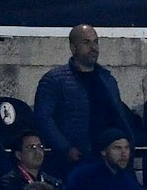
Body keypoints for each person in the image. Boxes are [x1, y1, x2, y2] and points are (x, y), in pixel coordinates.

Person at [34, 25, 134, 172]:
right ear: (73, 47)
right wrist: (65, 148)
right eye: (86, 42)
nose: (93, 48)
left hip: (108, 159)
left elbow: (118, 115)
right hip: (76, 158)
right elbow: (43, 118)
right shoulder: (54, 80)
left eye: (96, 42)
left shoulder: (107, 79)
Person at [66, 130, 143, 190]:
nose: (124, 154)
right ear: (104, 151)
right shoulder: (84, 176)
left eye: (127, 148)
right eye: (117, 148)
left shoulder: (129, 183)